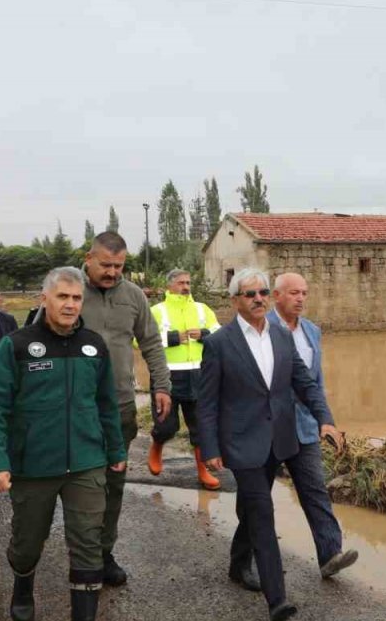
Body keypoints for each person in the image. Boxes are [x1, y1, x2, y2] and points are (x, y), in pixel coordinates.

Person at [0, 266, 126, 621]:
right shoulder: (15, 346)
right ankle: (23, 586)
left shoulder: (93, 345)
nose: (70, 304)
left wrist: (116, 450)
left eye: (76, 298)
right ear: (44, 298)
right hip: (33, 465)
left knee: (88, 544)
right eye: (62, 296)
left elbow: (107, 403)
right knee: (28, 542)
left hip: (87, 462)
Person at [196, 269, 343, 621]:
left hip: (280, 439)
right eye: (250, 294)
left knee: (250, 509)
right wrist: (210, 447)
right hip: (242, 443)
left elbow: (305, 384)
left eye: (263, 292)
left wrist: (325, 418)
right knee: (263, 513)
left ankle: (237, 564)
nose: (259, 298)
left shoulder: (281, 335)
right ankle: (278, 600)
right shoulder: (219, 343)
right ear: (234, 301)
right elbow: (207, 403)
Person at [78, 232, 171, 586]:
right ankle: (80, 552)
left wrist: (162, 386)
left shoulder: (133, 296)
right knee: (79, 484)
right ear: (89, 258)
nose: (113, 272)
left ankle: (103, 553)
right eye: (106, 265)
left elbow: (150, 342)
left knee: (113, 484)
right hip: (74, 409)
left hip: (119, 407)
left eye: (119, 266)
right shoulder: (69, 289)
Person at [266, 273, 358, 579]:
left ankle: (330, 554)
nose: (301, 298)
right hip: (267, 427)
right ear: (276, 295)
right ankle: (240, 562)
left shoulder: (312, 331)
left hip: (304, 426)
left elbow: (315, 382)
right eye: (294, 293)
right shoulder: (259, 329)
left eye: (304, 292)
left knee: (315, 490)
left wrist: (325, 421)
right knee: (256, 500)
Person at [146, 268, 222, 490]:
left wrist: (205, 334)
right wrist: (171, 338)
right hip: (166, 377)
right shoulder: (156, 311)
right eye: (181, 283)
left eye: (188, 282)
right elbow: (137, 339)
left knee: (200, 427)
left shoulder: (202, 309)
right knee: (166, 425)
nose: (186, 286)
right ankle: (157, 445)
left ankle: (202, 472)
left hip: (199, 376)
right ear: (169, 285)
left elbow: (221, 334)